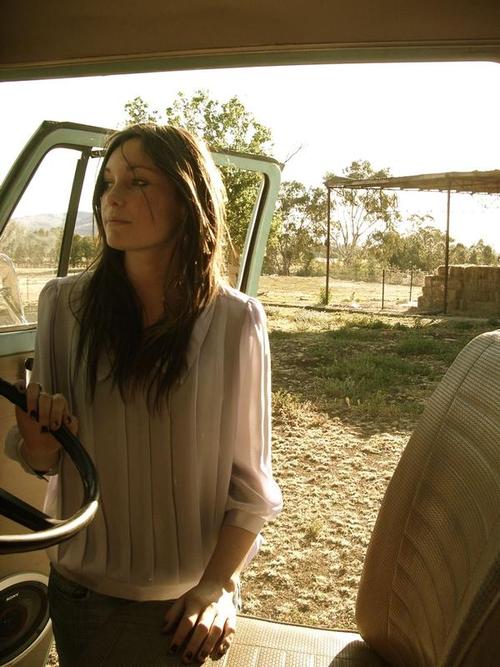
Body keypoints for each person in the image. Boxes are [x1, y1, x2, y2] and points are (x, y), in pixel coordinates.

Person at [5, 124, 282, 666]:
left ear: (188, 198)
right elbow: (46, 460)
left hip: (186, 608)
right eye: (108, 182)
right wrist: (37, 440)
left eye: (138, 181)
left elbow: (250, 490)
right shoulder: (61, 306)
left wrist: (217, 586)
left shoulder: (237, 321)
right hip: (81, 593)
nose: (113, 197)